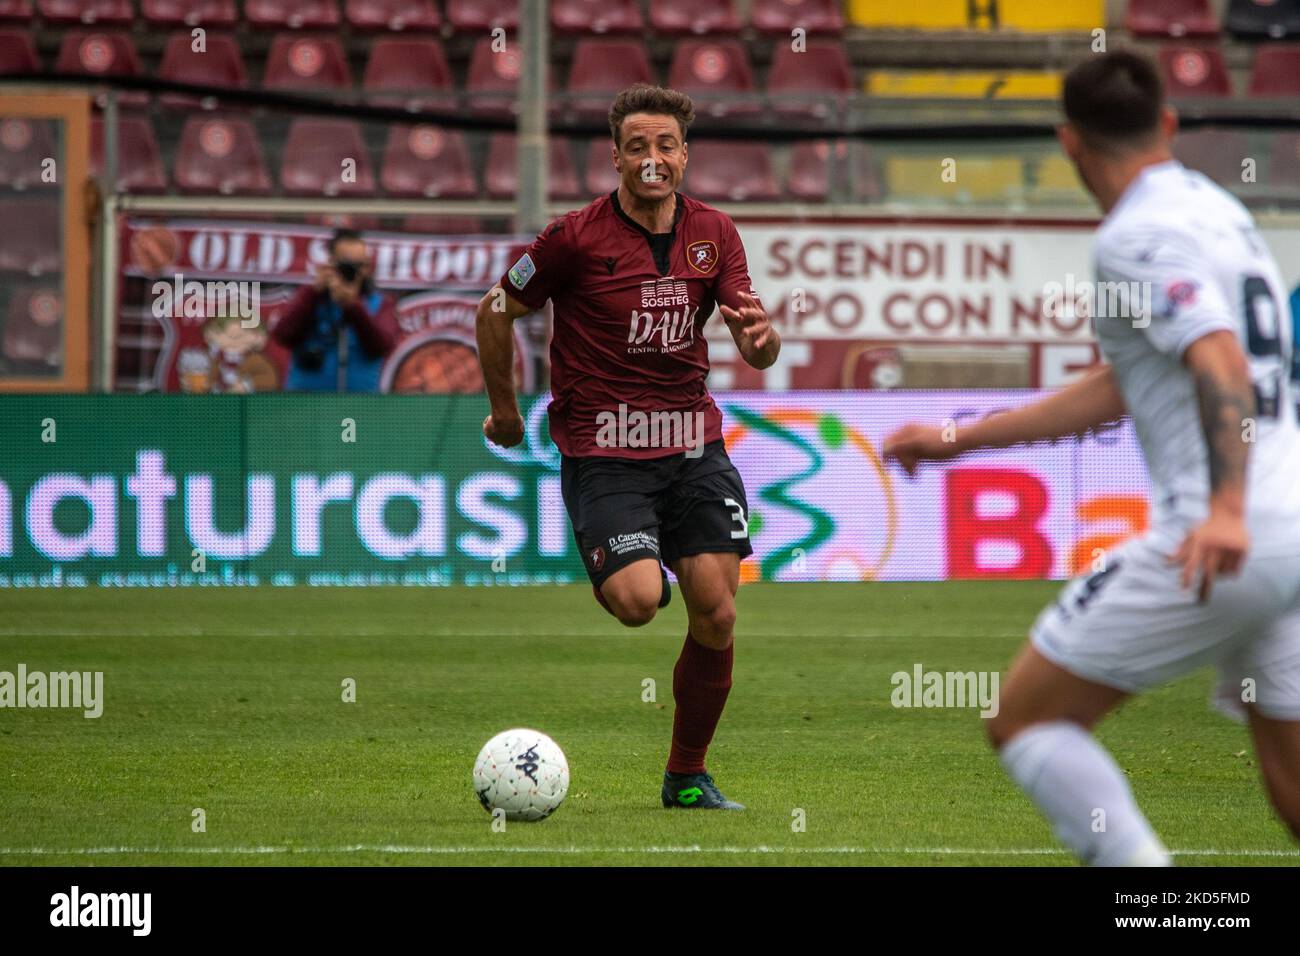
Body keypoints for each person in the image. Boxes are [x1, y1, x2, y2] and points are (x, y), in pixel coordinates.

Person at [885, 49, 1300, 865]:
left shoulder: (1133, 237)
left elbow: (1217, 360)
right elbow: (1121, 384)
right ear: (1169, 126)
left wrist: (1221, 510)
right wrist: (956, 439)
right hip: (1293, 528)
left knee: (1025, 718)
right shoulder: (1217, 209)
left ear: (1067, 142)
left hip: (1226, 530)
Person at [475, 84, 780, 811]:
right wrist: (505, 412)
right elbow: (494, 309)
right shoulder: (572, 238)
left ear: (684, 155)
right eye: (637, 146)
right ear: (614, 157)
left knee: (718, 611)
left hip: (692, 444)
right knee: (641, 602)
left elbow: (757, 344)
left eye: (665, 145)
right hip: (604, 450)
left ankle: (685, 778)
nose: (652, 159)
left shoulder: (716, 234)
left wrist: (761, 343)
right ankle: (638, 560)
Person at [272, 228, 399, 392]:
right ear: (331, 262)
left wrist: (353, 306)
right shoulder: (310, 297)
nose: (354, 272)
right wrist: (313, 292)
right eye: (346, 265)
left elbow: (382, 346)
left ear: (368, 267)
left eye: (360, 265)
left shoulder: (381, 303)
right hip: (306, 404)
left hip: (357, 406)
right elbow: (283, 335)